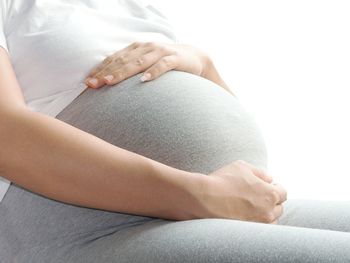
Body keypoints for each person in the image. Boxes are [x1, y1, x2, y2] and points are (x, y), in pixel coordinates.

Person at [0, 0, 349, 262]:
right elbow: (6, 137)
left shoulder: (132, 7)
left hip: (215, 209)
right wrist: (200, 196)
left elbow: (221, 133)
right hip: (97, 228)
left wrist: (203, 65)